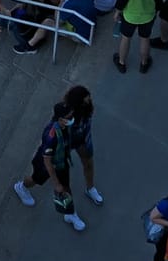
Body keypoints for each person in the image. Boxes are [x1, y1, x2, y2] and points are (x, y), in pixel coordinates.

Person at [11, 84, 101, 231]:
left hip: (60, 160)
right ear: (60, 119)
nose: (72, 118)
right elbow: (47, 160)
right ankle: (21, 187)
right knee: (36, 179)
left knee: (66, 186)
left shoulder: (66, 128)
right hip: (47, 162)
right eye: (69, 117)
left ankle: (70, 214)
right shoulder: (51, 135)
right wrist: (55, 183)